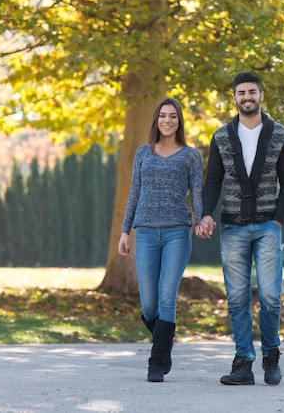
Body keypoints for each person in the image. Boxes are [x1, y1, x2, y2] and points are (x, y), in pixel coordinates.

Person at [196, 72, 284, 386]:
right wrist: (206, 214)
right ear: (235, 98)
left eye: (252, 92)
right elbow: (212, 181)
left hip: (268, 226)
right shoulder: (221, 136)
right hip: (232, 226)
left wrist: (278, 219)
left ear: (260, 96)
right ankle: (243, 362)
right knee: (237, 298)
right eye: (241, 93)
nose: (247, 97)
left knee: (269, 297)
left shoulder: (280, 134)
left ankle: (271, 356)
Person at [118, 97, 203, 383]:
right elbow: (134, 193)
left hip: (177, 232)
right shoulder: (143, 152)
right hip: (145, 233)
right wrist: (124, 231)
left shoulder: (190, 156)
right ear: (156, 120)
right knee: (148, 304)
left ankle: (156, 361)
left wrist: (202, 219)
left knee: (167, 298)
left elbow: (198, 193)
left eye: (173, 116)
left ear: (180, 121)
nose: (167, 120)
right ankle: (165, 343)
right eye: (163, 116)